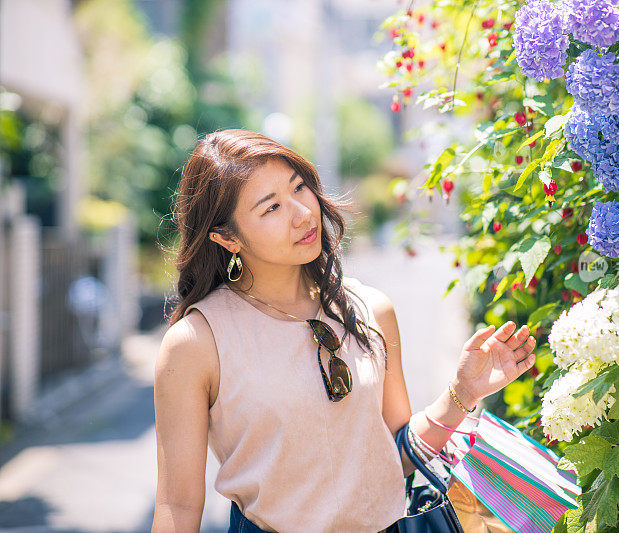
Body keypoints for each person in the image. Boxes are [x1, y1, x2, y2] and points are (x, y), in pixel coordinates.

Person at [151, 129, 537, 533]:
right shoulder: (197, 343)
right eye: (271, 208)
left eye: (300, 187)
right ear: (227, 238)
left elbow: (395, 457)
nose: (302, 212)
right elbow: (177, 505)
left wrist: (464, 392)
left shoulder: (370, 308)